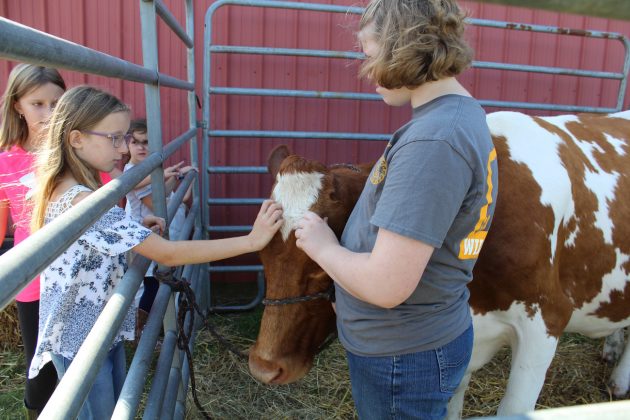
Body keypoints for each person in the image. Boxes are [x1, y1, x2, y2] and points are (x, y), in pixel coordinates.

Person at [294, 1, 498, 418]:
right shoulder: (455, 117)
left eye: (369, 56)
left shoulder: (434, 143)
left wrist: (324, 248)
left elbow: (388, 286)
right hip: (414, 343)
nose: (365, 72)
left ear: (404, 49)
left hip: (402, 358)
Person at [28, 85, 283, 419]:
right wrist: (252, 241)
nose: (122, 149)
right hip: (79, 335)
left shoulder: (81, 189)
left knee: (112, 404)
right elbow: (168, 254)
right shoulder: (83, 200)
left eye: (123, 138)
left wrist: (132, 232)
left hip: (97, 324)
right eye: (114, 139)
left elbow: (92, 248)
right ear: (76, 139)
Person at [0, 63, 66, 418]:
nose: (49, 112)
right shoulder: (5, 161)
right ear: (17, 106)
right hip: (34, 276)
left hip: (76, 271)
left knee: (77, 355)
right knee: (39, 362)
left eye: (57, 103)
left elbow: (110, 193)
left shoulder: (74, 149)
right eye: (37, 103)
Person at [124, 118, 195, 337]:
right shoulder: (133, 172)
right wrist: (176, 182)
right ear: (127, 144)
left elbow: (163, 194)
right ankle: (139, 331)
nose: (141, 147)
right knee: (149, 285)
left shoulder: (148, 168)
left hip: (153, 233)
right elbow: (156, 203)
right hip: (142, 236)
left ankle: (149, 330)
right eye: (136, 142)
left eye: (146, 142)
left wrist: (179, 177)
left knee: (155, 282)